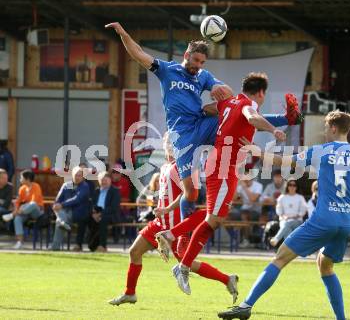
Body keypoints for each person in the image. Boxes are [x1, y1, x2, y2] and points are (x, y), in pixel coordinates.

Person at [106, 22, 302, 224]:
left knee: (236, 114)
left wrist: (220, 87)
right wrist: (123, 33)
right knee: (191, 193)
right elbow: (138, 53)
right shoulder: (166, 69)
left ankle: (287, 118)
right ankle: (181, 229)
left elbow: (227, 92)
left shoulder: (202, 75)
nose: (198, 66)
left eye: (202, 62)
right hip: (181, 135)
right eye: (196, 60)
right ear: (186, 56)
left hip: (201, 123)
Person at [218, 110, 350, 320]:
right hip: (346, 222)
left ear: (333, 128)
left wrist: (258, 152)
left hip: (324, 219)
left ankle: (246, 306)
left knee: (280, 258)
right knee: (325, 265)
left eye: (326, 127)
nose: (325, 131)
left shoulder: (322, 151)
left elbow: (285, 162)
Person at [156, 72, 289, 295]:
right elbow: (253, 117)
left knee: (212, 217)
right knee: (213, 220)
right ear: (261, 93)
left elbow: (210, 109)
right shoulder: (248, 104)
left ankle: (172, 238)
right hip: (224, 167)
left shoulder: (228, 102)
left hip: (221, 163)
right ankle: (183, 264)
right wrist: (273, 129)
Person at [108, 134, 238, 306]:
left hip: (173, 225)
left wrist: (167, 208)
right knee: (134, 252)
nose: (169, 145)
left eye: (173, 142)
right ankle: (130, 293)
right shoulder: (165, 166)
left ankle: (227, 279)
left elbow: (189, 194)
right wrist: (159, 205)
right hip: (159, 223)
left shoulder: (179, 167)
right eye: (167, 141)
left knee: (186, 264)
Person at [51, 166, 91, 251]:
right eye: (76, 175)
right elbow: (58, 199)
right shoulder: (66, 185)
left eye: (79, 175)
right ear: (72, 175)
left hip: (77, 213)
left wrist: (61, 205)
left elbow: (77, 199)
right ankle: (62, 223)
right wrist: (56, 205)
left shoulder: (85, 186)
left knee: (60, 218)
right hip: (64, 211)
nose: (77, 177)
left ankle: (55, 247)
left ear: (83, 177)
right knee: (60, 216)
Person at [2, 170, 44, 250]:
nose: (20, 179)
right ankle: (19, 242)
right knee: (18, 219)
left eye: (21, 178)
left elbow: (34, 201)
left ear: (27, 179)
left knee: (33, 204)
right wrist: (18, 208)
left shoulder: (36, 186)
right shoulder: (22, 188)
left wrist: (19, 210)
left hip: (36, 212)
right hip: (25, 212)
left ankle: (13, 215)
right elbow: (18, 202)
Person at [269, 179, 308, 247]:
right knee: (287, 228)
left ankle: (276, 239)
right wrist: (284, 217)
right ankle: (292, 248)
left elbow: (303, 210)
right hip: (284, 220)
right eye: (290, 185)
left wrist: (293, 217)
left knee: (287, 224)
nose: (292, 187)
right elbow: (279, 211)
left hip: (297, 221)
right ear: (287, 186)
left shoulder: (300, 197)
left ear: (296, 187)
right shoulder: (282, 197)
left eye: (294, 185)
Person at [92, 171, 121, 252]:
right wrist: (94, 213)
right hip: (96, 213)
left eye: (106, 180)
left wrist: (100, 214)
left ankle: (102, 246)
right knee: (84, 218)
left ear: (110, 180)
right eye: (102, 180)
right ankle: (81, 244)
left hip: (111, 215)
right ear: (99, 181)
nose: (104, 182)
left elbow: (113, 207)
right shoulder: (96, 191)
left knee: (103, 219)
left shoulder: (115, 191)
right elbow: (92, 203)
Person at [234, 178, 264, 248]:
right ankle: (235, 240)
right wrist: (235, 186)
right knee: (227, 217)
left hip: (256, 211)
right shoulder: (240, 186)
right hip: (243, 210)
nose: (246, 179)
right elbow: (234, 199)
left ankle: (246, 240)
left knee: (244, 216)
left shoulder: (258, 186)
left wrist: (244, 188)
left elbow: (253, 199)